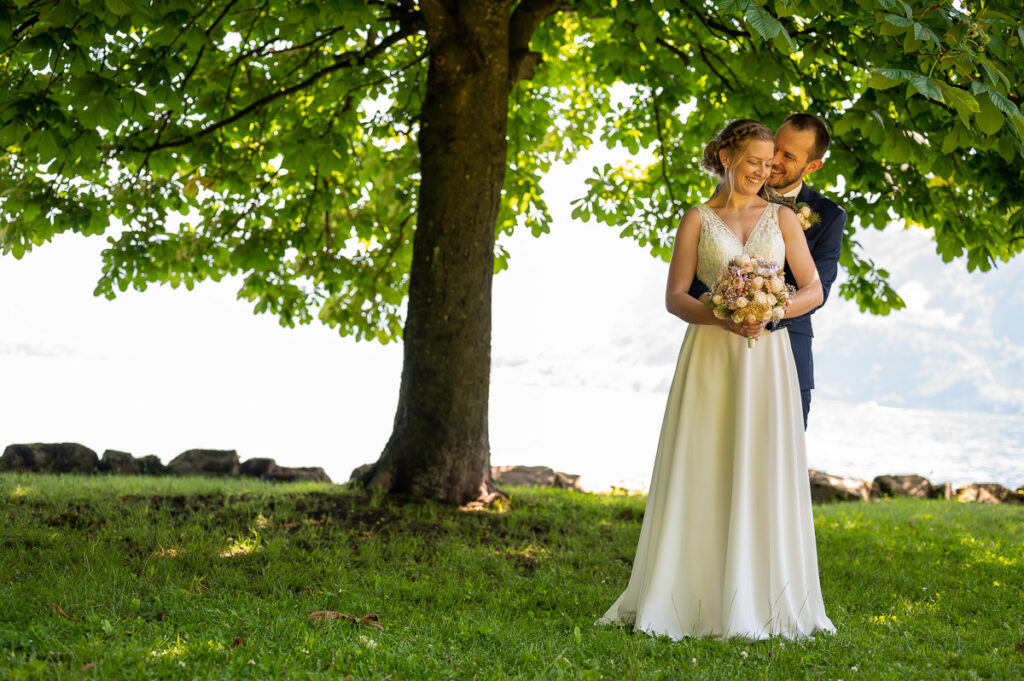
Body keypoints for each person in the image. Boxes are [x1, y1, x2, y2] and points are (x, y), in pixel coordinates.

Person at [597, 119, 836, 640]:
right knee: (704, 461)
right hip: (710, 355)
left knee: (761, 464)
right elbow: (677, 297)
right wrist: (723, 315)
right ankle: (687, 594)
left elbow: (813, 288)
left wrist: (773, 312)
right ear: (726, 156)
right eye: (754, 161)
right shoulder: (697, 220)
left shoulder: (784, 218)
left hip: (767, 358)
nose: (764, 171)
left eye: (771, 163)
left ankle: (764, 596)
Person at [689, 113, 846, 428]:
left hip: (788, 346)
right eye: (776, 147)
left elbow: (818, 290)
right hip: (720, 345)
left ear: (812, 166)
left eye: (788, 156)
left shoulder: (828, 215)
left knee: (781, 459)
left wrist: (764, 311)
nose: (773, 160)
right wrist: (728, 308)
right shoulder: (733, 193)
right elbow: (696, 278)